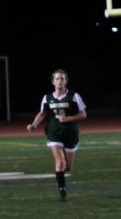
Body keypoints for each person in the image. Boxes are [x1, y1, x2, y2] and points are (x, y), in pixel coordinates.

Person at [25, 70, 86, 201]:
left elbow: (83, 114)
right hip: (54, 133)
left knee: (67, 167)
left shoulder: (74, 96)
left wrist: (67, 119)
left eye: (62, 79)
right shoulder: (47, 98)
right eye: (57, 79)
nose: (60, 81)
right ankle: (62, 191)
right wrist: (33, 125)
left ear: (66, 81)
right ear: (53, 81)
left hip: (70, 133)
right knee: (60, 162)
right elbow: (42, 113)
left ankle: (61, 178)